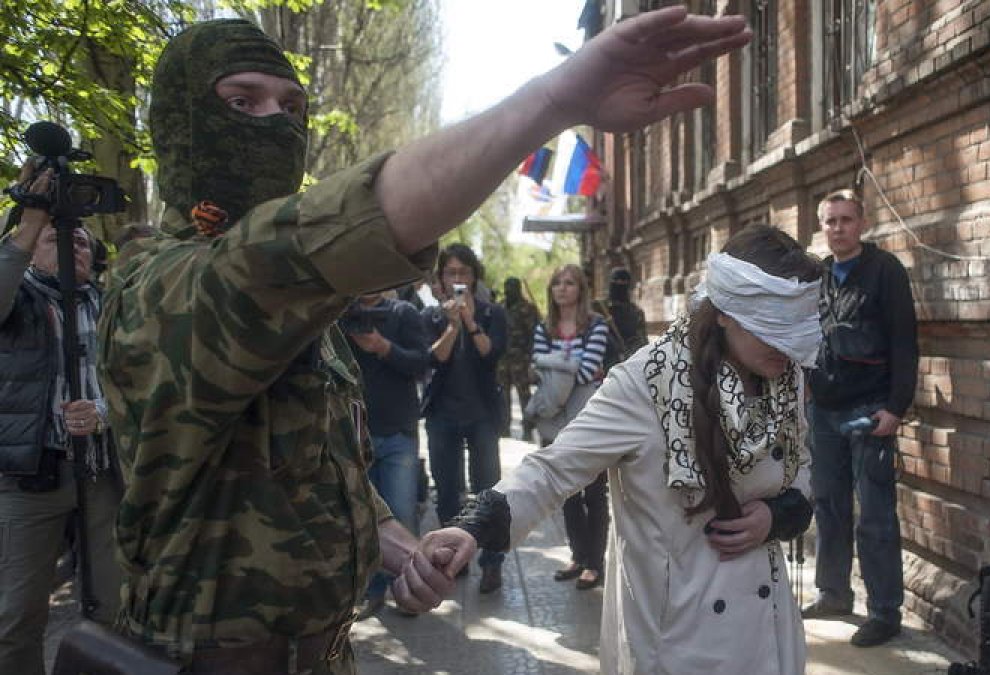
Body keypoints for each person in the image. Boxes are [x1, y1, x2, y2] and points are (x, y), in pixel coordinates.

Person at [97, 8, 752, 671]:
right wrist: (555, 99)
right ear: (182, 125)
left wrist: (397, 543)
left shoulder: (295, 309)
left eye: (292, 105)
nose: (276, 121)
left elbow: (311, 464)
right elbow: (340, 228)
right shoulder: (162, 291)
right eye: (243, 100)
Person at [420, 224, 824, 674]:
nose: (789, 347)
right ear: (726, 310)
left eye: (797, 330)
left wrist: (778, 514)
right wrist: (474, 528)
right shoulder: (646, 383)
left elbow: (801, 469)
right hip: (679, 641)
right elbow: (555, 469)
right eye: (773, 326)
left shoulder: (788, 379)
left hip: (767, 635)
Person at [0, 168, 122, 674]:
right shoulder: (17, 300)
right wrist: (31, 218)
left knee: (117, 607)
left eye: (79, 238)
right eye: (57, 237)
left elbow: (152, 383)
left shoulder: (119, 303)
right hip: (31, 476)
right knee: (14, 616)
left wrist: (104, 413)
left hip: (107, 474)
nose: (71, 244)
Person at [803, 189, 918, 648]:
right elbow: (806, 335)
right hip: (824, 410)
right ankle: (833, 594)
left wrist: (896, 407)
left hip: (871, 411)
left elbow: (905, 342)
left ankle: (885, 611)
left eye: (845, 220)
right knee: (829, 508)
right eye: (830, 221)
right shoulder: (818, 275)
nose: (837, 228)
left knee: (875, 515)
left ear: (861, 223)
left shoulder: (885, 271)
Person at [421, 243, 509, 593]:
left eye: (464, 273)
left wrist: (470, 320)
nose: (458, 279)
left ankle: (492, 563)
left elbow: (492, 354)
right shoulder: (430, 316)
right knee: (446, 491)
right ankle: (453, 558)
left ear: (474, 278)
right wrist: (453, 325)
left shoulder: (492, 314)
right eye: (451, 273)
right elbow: (433, 358)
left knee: (490, 491)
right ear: (441, 279)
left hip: (482, 414)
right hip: (442, 413)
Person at [340, 290, 430, 619]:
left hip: (397, 432)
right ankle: (372, 592)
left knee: (401, 516)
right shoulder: (342, 315)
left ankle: (411, 590)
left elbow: (422, 363)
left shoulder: (403, 313)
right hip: (355, 435)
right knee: (363, 521)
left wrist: (383, 347)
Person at [531, 264, 609, 591]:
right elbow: (537, 367)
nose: (562, 289)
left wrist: (556, 370)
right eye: (557, 284)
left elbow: (587, 370)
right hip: (554, 421)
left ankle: (594, 562)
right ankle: (577, 555)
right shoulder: (543, 328)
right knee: (567, 493)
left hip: (588, 417)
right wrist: (564, 369)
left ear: (581, 289)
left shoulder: (596, 326)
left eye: (569, 283)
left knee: (593, 491)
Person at [497, 276, 540, 440]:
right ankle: (504, 427)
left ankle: (528, 428)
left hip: (521, 358)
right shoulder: (500, 307)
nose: (509, 290)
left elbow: (533, 334)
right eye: (507, 287)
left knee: (524, 395)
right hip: (502, 358)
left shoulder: (527, 309)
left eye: (512, 287)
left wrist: (531, 358)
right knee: (503, 394)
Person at [602, 267, 648, 360]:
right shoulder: (601, 309)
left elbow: (642, 342)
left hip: (628, 361)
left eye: (623, 280)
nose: (619, 283)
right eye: (616, 280)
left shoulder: (636, 312)